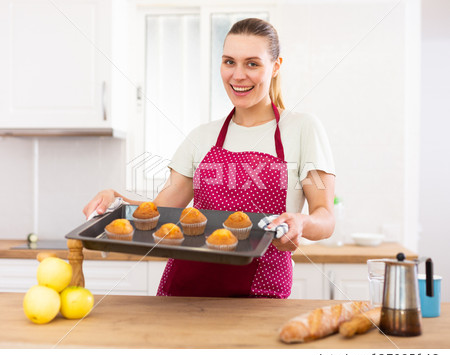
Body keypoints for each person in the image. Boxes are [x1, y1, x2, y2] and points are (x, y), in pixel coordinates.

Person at [83, 18, 335, 298]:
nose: (238, 75)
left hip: (260, 292)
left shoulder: (302, 129)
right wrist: (115, 200)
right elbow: (158, 213)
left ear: (275, 67)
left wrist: (301, 223)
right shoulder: (202, 136)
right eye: (229, 62)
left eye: (252, 63)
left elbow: (325, 217)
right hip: (186, 289)